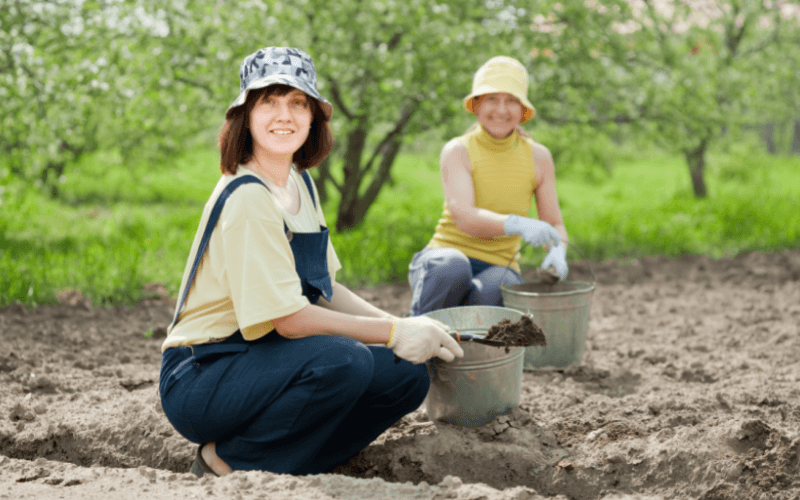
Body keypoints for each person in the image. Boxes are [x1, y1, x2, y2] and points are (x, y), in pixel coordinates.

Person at [158, 46, 463, 478]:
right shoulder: (248, 197)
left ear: (313, 116)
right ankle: (226, 461)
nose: (285, 115)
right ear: (245, 114)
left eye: (298, 103)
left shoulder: (300, 183)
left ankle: (297, 465)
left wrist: (407, 329)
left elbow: (324, 290)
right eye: (269, 101)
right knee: (343, 360)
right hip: (205, 372)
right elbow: (289, 319)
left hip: (262, 356)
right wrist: (394, 331)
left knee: (405, 375)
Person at [408, 55, 569, 316]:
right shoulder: (458, 150)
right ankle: (415, 344)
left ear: (523, 109)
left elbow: (554, 223)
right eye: (492, 98)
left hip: (500, 265)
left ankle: (470, 351)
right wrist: (518, 224)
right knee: (453, 267)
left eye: (511, 100)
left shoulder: (538, 157)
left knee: (496, 290)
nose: (501, 110)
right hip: (445, 258)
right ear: (477, 104)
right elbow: (465, 218)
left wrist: (558, 251)